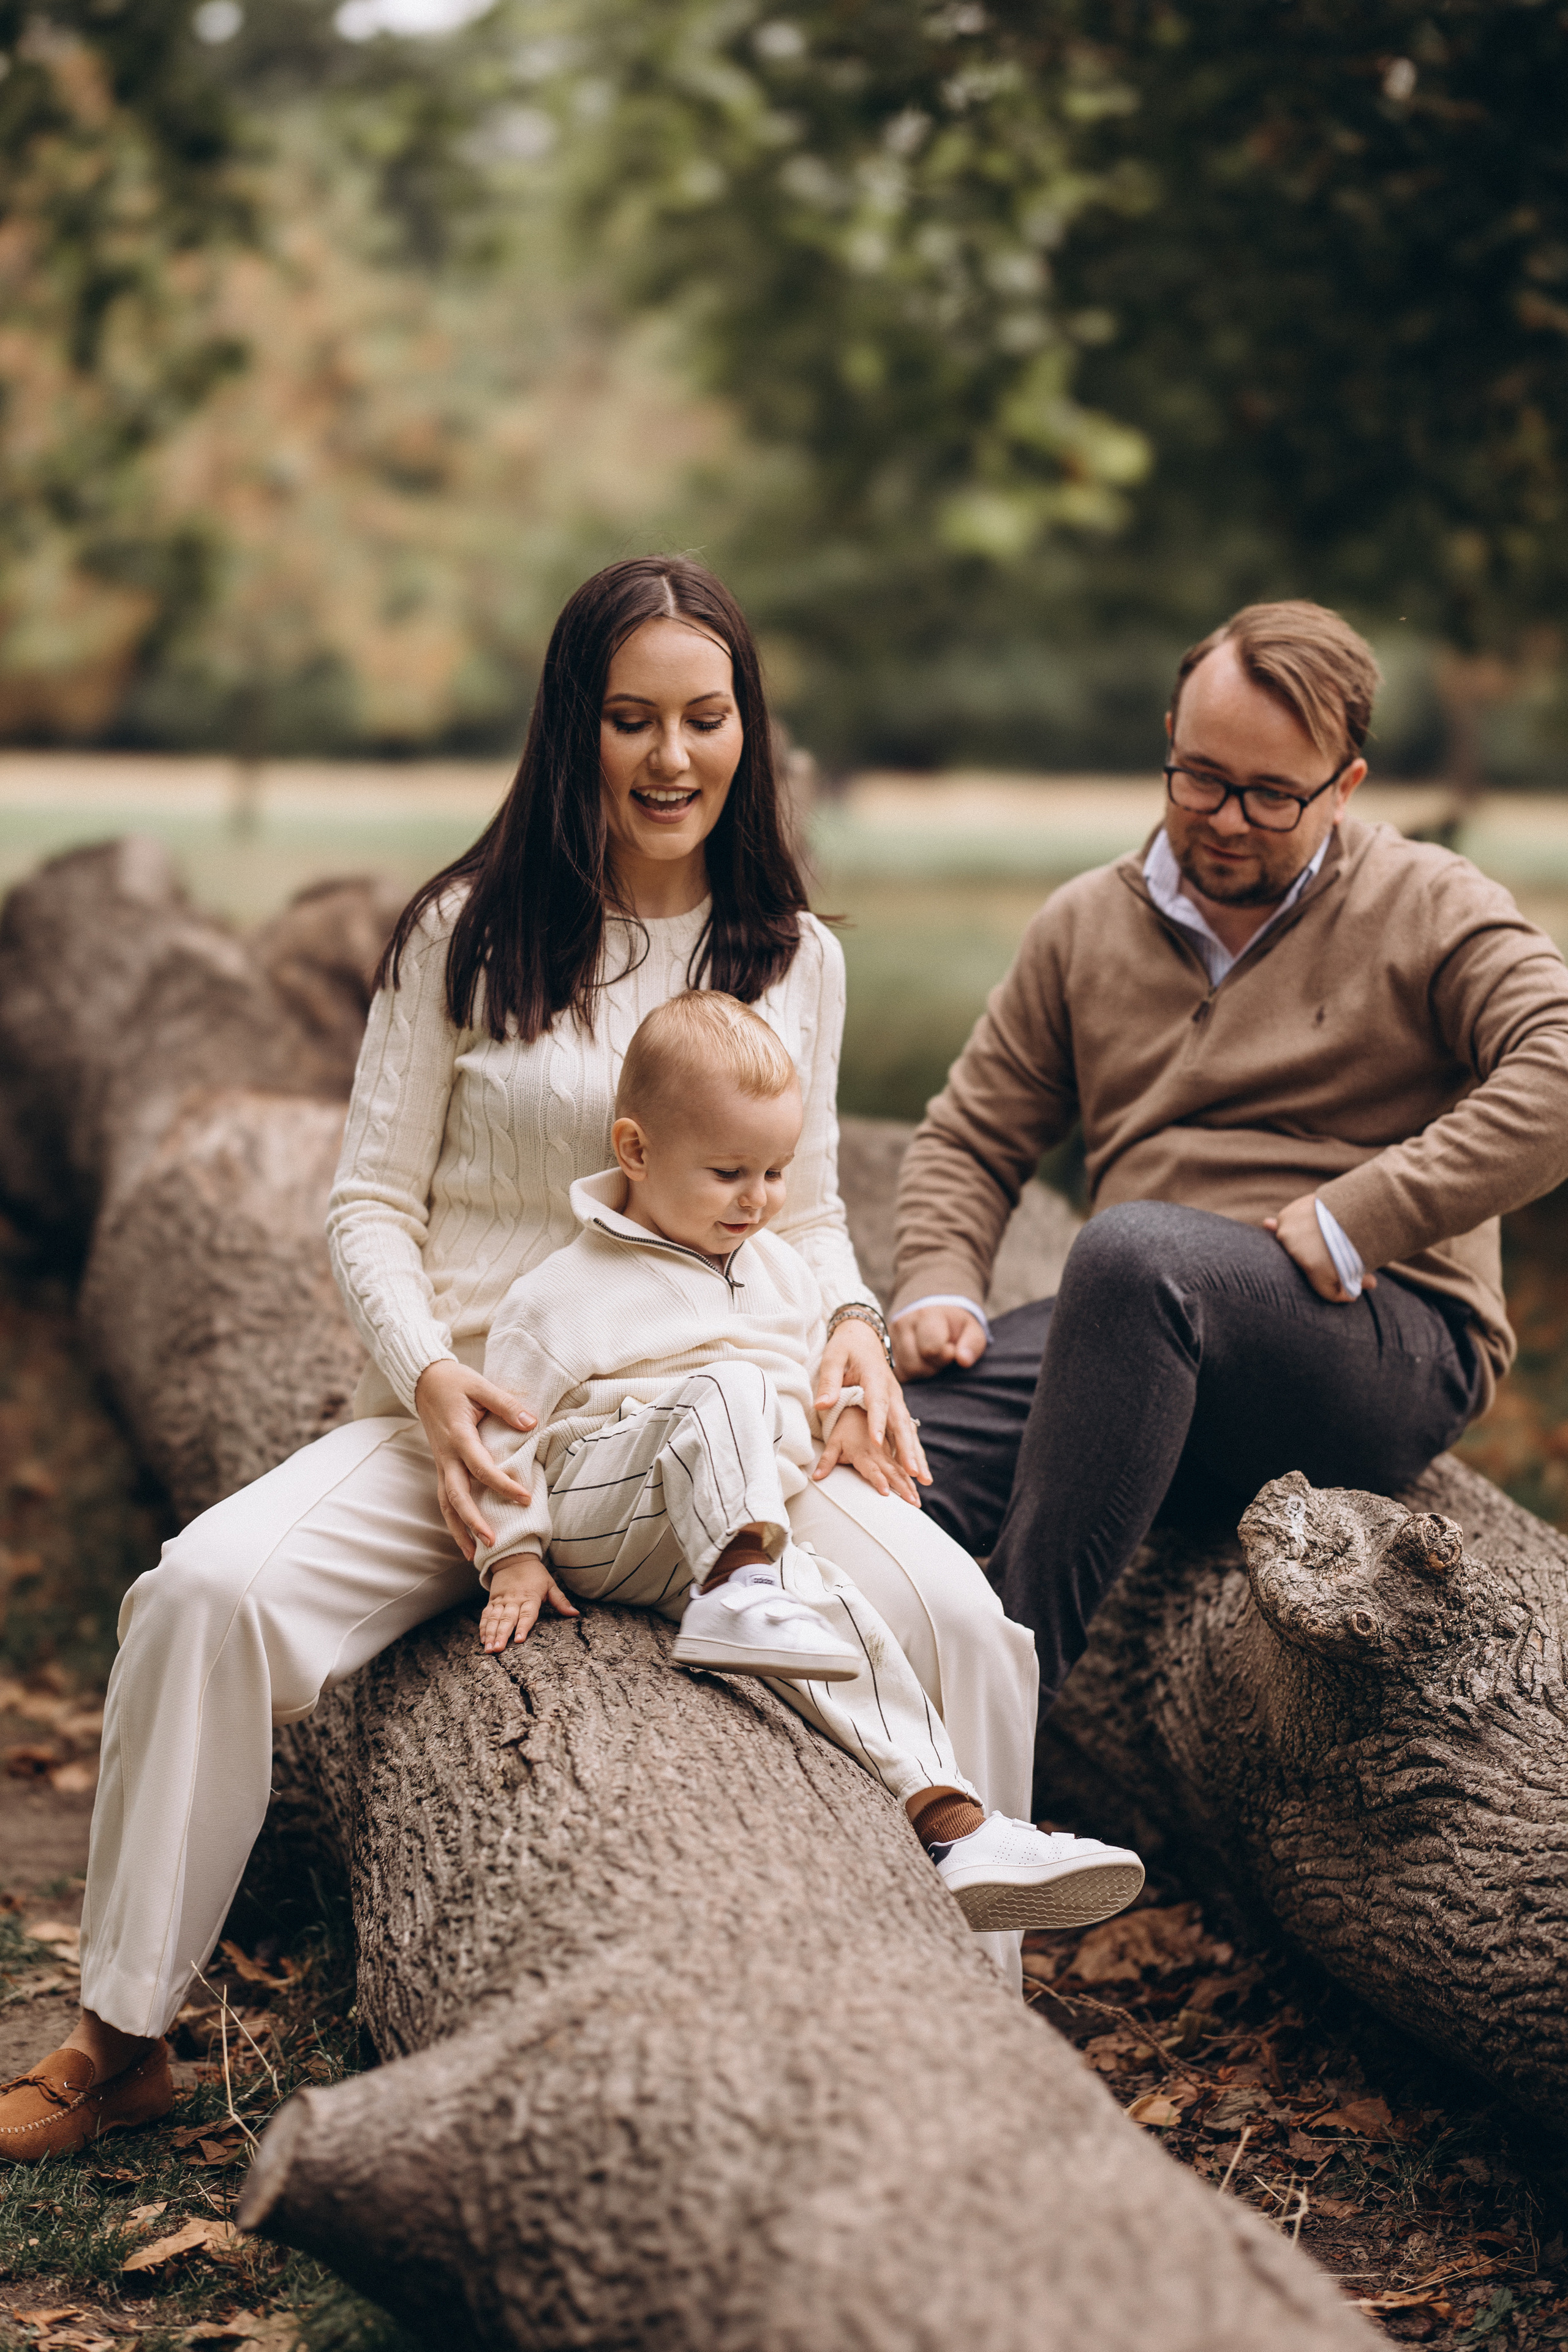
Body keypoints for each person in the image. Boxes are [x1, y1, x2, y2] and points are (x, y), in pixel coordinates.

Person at [0, 555, 963, 2162]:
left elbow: (800, 1221)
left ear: (750, 731)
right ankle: (120, 2035)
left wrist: (854, 1334)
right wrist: (433, 1385)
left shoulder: (791, 954)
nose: (672, 759)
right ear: (571, 728)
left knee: (959, 1622)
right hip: (484, 1421)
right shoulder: (467, 930)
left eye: (705, 720)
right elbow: (368, 1203)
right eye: (632, 719)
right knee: (206, 1593)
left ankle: (968, 2046)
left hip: (714, 1417)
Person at [890, 599, 1568, 1725]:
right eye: (1198, 778)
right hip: (1139, 1334)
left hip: (1376, 1337)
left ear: (1345, 787)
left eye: (1270, 795)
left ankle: (990, 1748)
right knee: (880, 1450)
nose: (1225, 820)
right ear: (1167, 736)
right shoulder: (1083, 926)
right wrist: (938, 1279)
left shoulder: (1428, 905)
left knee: (1132, 1256)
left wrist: (1369, 1211)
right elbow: (971, 1133)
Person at [472, 989, 1145, 1936]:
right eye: (728, 1173)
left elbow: (798, 1391)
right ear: (635, 1152)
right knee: (727, 1388)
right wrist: (514, 1554)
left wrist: (839, 1420)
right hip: (605, 1508)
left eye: (777, 1173)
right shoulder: (558, 1294)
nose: (758, 1200)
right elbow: (503, 1434)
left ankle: (954, 1824)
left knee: (844, 1618)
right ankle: (744, 1589)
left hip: (724, 1528)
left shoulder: (777, 1270)